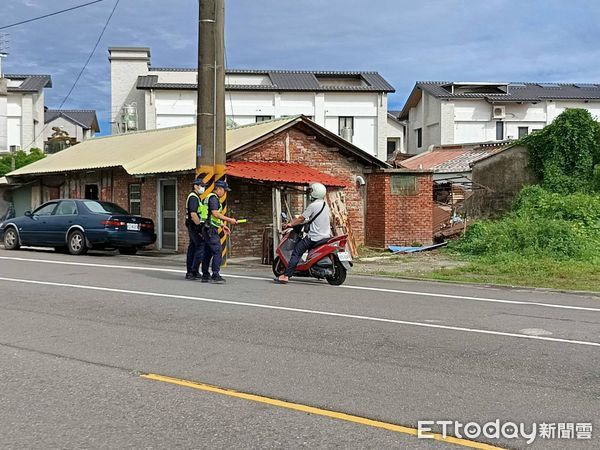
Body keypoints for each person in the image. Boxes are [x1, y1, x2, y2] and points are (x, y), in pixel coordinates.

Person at [277, 182, 331, 284]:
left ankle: (286, 275)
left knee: (297, 252)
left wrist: (290, 224)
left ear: (314, 193)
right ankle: (314, 270)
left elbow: (301, 219)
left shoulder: (313, 206)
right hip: (326, 236)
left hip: (314, 237)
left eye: (311, 191)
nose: (310, 193)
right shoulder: (325, 205)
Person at [201, 180, 237, 283]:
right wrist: (229, 220)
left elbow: (211, 216)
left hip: (207, 228)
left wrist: (222, 225)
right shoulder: (213, 198)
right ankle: (215, 275)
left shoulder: (210, 197)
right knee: (217, 251)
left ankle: (205, 275)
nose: (225, 193)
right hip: (210, 229)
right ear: (219, 189)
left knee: (208, 252)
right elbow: (215, 214)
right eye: (224, 190)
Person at [185, 178, 207, 280]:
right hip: (194, 226)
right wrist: (199, 227)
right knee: (200, 247)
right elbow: (193, 214)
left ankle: (191, 272)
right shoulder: (193, 198)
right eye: (201, 186)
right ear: (195, 186)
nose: (203, 188)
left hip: (192, 225)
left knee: (193, 248)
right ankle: (193, 271)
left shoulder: (196, 197)